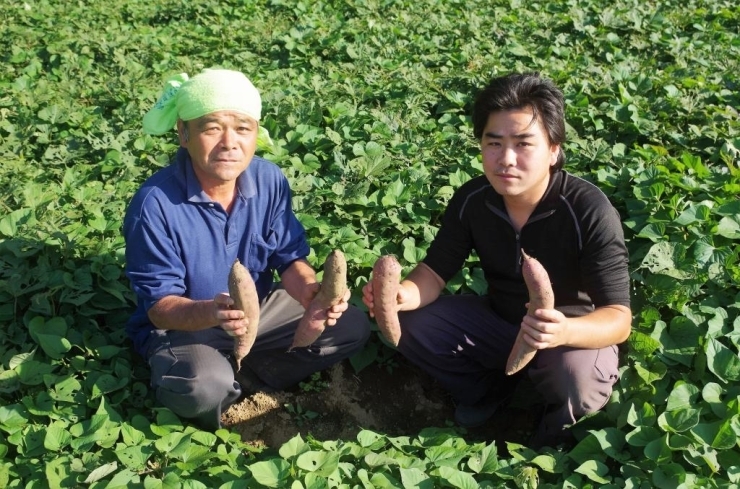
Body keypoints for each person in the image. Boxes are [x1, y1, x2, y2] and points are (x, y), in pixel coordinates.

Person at [362, 72, 631, 448]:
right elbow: (435, 272)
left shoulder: (588, 210)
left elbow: (619, 318)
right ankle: (489, 392)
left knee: (577, 381)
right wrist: (401, 296)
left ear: (554, 149)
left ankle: (553, 436)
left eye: (524, 144)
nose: (506, 159)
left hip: (573, 336)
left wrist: (562, 331)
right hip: (502, 323)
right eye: (494, 143)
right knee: (412, 322)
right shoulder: (474, 199)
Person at [124, 68, 371, 430]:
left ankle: (250, 370)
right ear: (184, 133)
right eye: (212, 128)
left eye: (242, 128)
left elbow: (288, 256)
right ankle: (215, 386)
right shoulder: (154, 205)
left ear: (256, 134)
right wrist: (214, 312)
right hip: (185, 325)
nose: (229, 142)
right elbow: (161, 309)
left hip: (258, 309)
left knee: (350, 325)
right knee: (202, 389)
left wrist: (312, 293)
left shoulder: (269, 179)